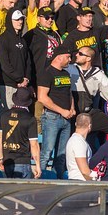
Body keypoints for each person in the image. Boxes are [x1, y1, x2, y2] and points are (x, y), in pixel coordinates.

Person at [36, 45, 75, 176]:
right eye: (68, 57)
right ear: (59, 57)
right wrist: (61, 111)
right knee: (46, 153)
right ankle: (40, 179)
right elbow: (42, 97)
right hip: (52, 117)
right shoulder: (47, 73)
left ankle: (59, 180)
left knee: (62, 155)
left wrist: (72, 108)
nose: (70, 60)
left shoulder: (66, 74)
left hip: (67, 118)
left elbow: (69, 93)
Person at [68, 46, 108, 137]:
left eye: (80, 54)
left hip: (89, 114)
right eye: (77, 52)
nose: (76, 55)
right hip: (71, 114)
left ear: (89, 58)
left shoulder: (99, 75)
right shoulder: (69, 69)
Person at [0, 88, 41, 179]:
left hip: (7, 160)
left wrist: (1, 158)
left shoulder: (3, 115)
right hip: (22, 161)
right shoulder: (30, 118)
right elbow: (34, 144)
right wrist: (38, 165)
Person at [0, 10, 32, 109]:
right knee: (7, 114)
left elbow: (28, 61)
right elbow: (4, 64)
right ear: (9, 21)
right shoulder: (3, 39)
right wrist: (19, 79)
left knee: (22, 114)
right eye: (17, 19)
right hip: (8, 85)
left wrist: (26, 79)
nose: (20, 22)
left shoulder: (23, 40)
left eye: (21, 19)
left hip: (23, 85)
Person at [65, 113, 94, 181]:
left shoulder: (76, 140)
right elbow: (84, 171)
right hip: (79, 181)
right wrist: (94, 181)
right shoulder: (78, 141)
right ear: (89, 126)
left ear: (76, 124)